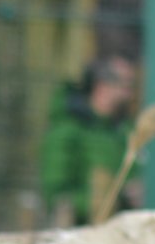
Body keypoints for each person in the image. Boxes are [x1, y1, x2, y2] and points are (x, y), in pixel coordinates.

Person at [38, 55, 138, 225]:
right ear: (102, 86)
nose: (130, 94)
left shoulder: (124, 131)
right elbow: (57, 197)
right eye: (125, 85)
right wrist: (103, 199)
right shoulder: (67, 131)